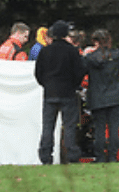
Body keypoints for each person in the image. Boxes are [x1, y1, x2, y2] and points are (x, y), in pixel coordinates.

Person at [35, 20, 87, 164]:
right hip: (68, 93)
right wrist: (74, 85)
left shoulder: (45, 51)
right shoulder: (72, 51)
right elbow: (80, 71)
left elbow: (38, 73)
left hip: (50, 93)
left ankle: (45, 156)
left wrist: (46, 84)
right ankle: (72, 154)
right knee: (69, 126)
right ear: (65, 34)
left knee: (48, 127)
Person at [84, 29, 119, 163]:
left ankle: (100, 157)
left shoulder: (90, 58)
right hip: (114, 96)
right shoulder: (116, 55)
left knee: (99, 129)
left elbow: (81, 72)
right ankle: (112, 156)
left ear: (95, 41)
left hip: (97, 97)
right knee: (114, 129)